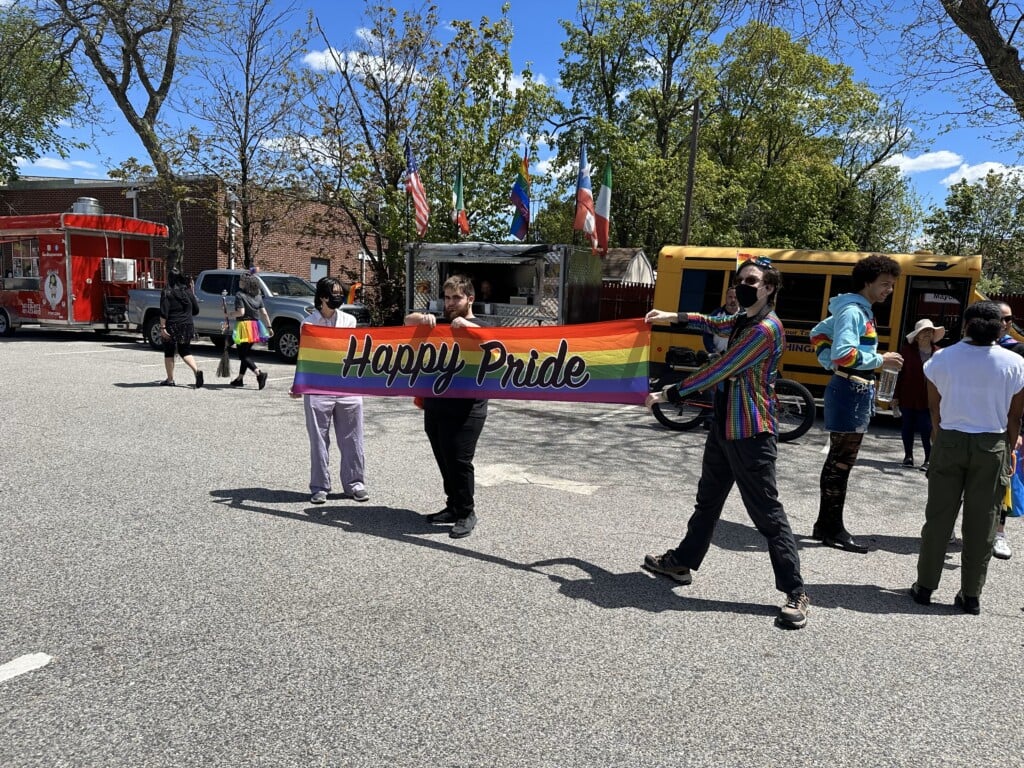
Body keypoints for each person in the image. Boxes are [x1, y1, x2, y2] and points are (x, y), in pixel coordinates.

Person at [642, 257, 810, 630]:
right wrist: (670, 315)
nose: (741, 286)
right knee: (708, 501)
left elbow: (721, 368)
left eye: (751, 280)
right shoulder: (744, 319)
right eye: (739, 281)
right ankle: (682, 562)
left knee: (767, 514)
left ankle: (795, 591)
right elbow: (714, 321)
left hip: (751, 432)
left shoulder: (764, 329)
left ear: (769, 287)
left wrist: (670, 393)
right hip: (725, 426)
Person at [911, 301, 1024, 614]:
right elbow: (1015, 417)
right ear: (1001, 327)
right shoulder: (1015, 362)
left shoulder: (941, 359)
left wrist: (939, 436)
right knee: (982, 522)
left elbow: (934, 407)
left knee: (938, 518)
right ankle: (971, 594)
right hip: (992, 444)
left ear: (965, 325)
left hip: (950, 439)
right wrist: (1011, 448)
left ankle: (925, 587)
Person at [809, 254, 903, 554]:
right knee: (841, 462)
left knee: (839, 460)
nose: (889, 290)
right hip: (851, 390)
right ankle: (832, 528)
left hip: (852, 389)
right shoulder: (853, 311)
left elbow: (818, 333)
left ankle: (827, 525)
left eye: (892, 285)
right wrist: (881, 359)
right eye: (885, 284)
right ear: (867, 282)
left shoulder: (855, 309)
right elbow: (845, 355)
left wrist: (828, 362)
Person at [404, 274, 486, 539]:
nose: (450, 303)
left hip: (467, 408)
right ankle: (452, 505)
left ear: (470, 299)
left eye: (457, 298)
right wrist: (420, 318)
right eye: (447, 297)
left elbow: (496, 349)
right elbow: (407, 322)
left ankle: (466, 512)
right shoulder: (439, 324)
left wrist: (469, 328)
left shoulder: (480, 325)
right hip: (436, 404)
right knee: (444, 459)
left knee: (460, 461)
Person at [290, 277, 368, 504]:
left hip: (347, 386)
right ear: (323, 297)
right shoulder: (308, 324)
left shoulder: (349, 321)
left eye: (340, 292)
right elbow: (305, 357)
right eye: (334, 293)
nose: (338, 296)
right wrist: (298, 384)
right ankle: (320, 486)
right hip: (318, 388)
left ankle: (355, 484)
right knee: (318, 439)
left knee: (353, 438)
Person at [894, 318, 945, 470]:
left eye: (930, 331)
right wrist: (895, 396)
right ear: (916, 336)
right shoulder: (906, 352)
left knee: (927, 428)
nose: (927, 334)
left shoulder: (939, 353)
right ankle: (908, 456)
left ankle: (929, 458)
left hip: (930, 398)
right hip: (908, 396)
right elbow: (899, 375)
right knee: (907, 427)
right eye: (924, 331)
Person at [158, 268, 203, 388]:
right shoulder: (188, 291)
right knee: (185, 351)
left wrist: (162, 328)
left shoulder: (167, 292)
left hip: (172, 325)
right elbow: (196, 310)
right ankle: (197, 371)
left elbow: (164, 312)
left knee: (169, 352)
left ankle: (170, 379)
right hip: (187, 325)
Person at [230, 270, 273, 389]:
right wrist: (269, 327)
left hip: (244, 326)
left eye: (241, 281)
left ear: (246, 283)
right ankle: (239, 379)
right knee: (246, 353)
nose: (239, 282)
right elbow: (264, 313)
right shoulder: (258, 295)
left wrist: (230, 314)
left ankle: (259, 373)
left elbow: (241, 312)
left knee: (242, 355)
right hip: (255, 326)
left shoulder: (240, 295)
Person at [702, 285, 739, 355]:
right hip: (718, 357)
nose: (733, 300)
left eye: (736, 297)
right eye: (730, 297)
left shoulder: (746, 316)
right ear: (726, 298)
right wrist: (713, 351)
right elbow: (707, 336)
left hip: (737, 358)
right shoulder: (715, 315)